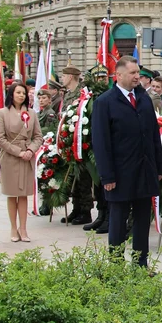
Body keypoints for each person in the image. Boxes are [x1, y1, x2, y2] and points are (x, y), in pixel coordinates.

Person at [93, 56, 162, 266]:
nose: (137, 77)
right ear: (119, 75)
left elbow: (153, 135)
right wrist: (107, 175)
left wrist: (159, 167)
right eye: (133, 73)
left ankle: (140, 264)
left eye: (138, 73)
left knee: (142, 220)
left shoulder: (143, 99)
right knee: (118, 220)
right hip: (119, 173)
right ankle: (115, 264)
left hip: (144, 170)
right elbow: (101, 142)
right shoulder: (104, 102)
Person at [0, 81, 42, 242]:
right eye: (18, 92)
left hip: (27, 158)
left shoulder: (32, 113)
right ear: (11, 94)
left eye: (23, 93)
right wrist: (18, 152)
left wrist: (30, 150)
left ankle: (23, 228)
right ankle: (13, 229)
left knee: (24, 195)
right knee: (12, 194)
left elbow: (38, 136)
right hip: (10, 157)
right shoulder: (2, 113)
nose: (21, 95)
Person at [60, 64, 94, 226]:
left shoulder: (83, 92)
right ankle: (77, 208)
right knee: (74, 176)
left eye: (64, 75)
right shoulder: (68, 95)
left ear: (71, 76)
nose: (62, 78)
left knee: (84, 177)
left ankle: (86, 210)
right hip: (70, 140)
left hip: (82, 141)